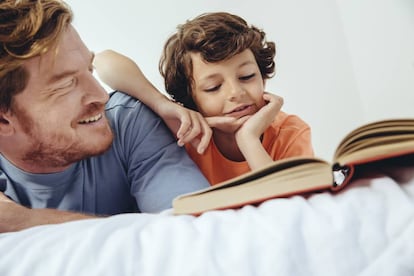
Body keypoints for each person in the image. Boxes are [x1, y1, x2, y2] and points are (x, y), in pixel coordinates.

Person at [0, 0, 211, 233]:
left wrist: (24, 221)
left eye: (89, 69)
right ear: (3, 120)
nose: (101, 96)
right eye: (67, 84)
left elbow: (194, 233)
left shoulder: (129, 122)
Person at [94, 12, 314, 185]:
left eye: (247, 77)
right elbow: (102, 62)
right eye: (213, 87)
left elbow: (291, 206)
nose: (235, 93)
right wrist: (163, 105)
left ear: (263, 78)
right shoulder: (185, 134)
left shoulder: (290, 132)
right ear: (191, 98)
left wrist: (248, 139)